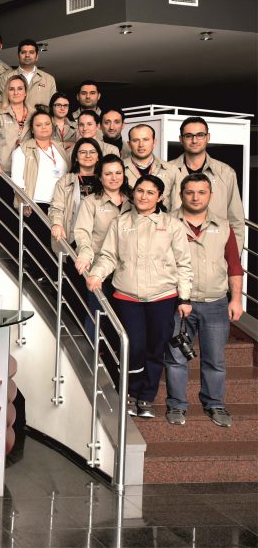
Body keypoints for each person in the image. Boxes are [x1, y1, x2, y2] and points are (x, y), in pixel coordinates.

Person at [87, 175, 193, 419]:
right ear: (133, 193)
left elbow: (184, 263)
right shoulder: (121, 222)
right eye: (140, 191)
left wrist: (185, 298)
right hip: (128, 296)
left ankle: (146, 397)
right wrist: (97, 274)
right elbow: (108, 256)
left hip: (162, 296)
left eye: (150, 192)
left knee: (156, 348)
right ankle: (130, 392)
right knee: (133, 346)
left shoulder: (173, 225)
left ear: (160, 197)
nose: (144, 196)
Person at [165, 173, 245, 428]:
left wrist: (236, 299)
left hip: (215, 303)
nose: (195, 197)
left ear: (211, 195)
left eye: (202, 192)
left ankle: (215, 404)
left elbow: (234, 265)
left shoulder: (223, 226)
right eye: (190, 192)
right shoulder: (167, 223)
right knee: (176, 357)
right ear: (181, 194)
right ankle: (176, 405)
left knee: (215, 359)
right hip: (179, 303)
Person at [73, 154, 132, 329]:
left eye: (118, 173)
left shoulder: (135, 200)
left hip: (128, 271)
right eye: (108, 174)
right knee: (97, 317)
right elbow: (82, 233)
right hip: (100, 269)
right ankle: (92, 347)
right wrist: (85, 254)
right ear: (100, 177)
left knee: (125, 322)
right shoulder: (91, 202)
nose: (114, 178)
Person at [169, 116, 244, 247]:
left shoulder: (226, 173)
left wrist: (233, 254)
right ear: (181, 139)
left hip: (214, 249)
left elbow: (236, 220)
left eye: (200, 135)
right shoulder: (167, 171)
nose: (194, 140)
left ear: (208, 137)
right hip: (175, 248)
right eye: (188, 136)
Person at [49, 137, 102, 251]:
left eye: (92, 152)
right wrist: (56, 224)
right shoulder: (66, 180)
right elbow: (56, 207)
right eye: (83, 152)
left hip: (99, 237)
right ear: (76, 157)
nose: (88, 155)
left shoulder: (106, 180)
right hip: (72, 235)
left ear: (98, 157)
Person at [10, 109, 67, 213]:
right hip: (34, 205)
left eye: (47, 124)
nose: (44, 127)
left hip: (60, 206)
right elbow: (17, 181)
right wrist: (24, 203)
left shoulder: (60, 148)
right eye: (38, 125)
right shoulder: (22, 150)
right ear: (32, 129)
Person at [123, 123, 177, 208]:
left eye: (146, 139)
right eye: (135, 140)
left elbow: (178, 207)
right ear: (129, 144)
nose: (141, 145)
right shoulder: (118, 170)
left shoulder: (172, 170)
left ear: (154, 142)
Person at [0, 76, 30, 177]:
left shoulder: (34, 115)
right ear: (7, 93)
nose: (16, 92)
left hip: (28, 172)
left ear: (25, 92)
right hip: (2, 172)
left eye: (20, 88)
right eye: (11, 89)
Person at [0, 39, 56, 111]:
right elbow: (3, 106)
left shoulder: (49, 80)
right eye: (23, 52)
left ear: (37, 56)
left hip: (41, 118)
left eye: (31, 52)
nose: (27, 55)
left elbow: (54, 107)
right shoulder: (6, 78)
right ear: (18, 56)